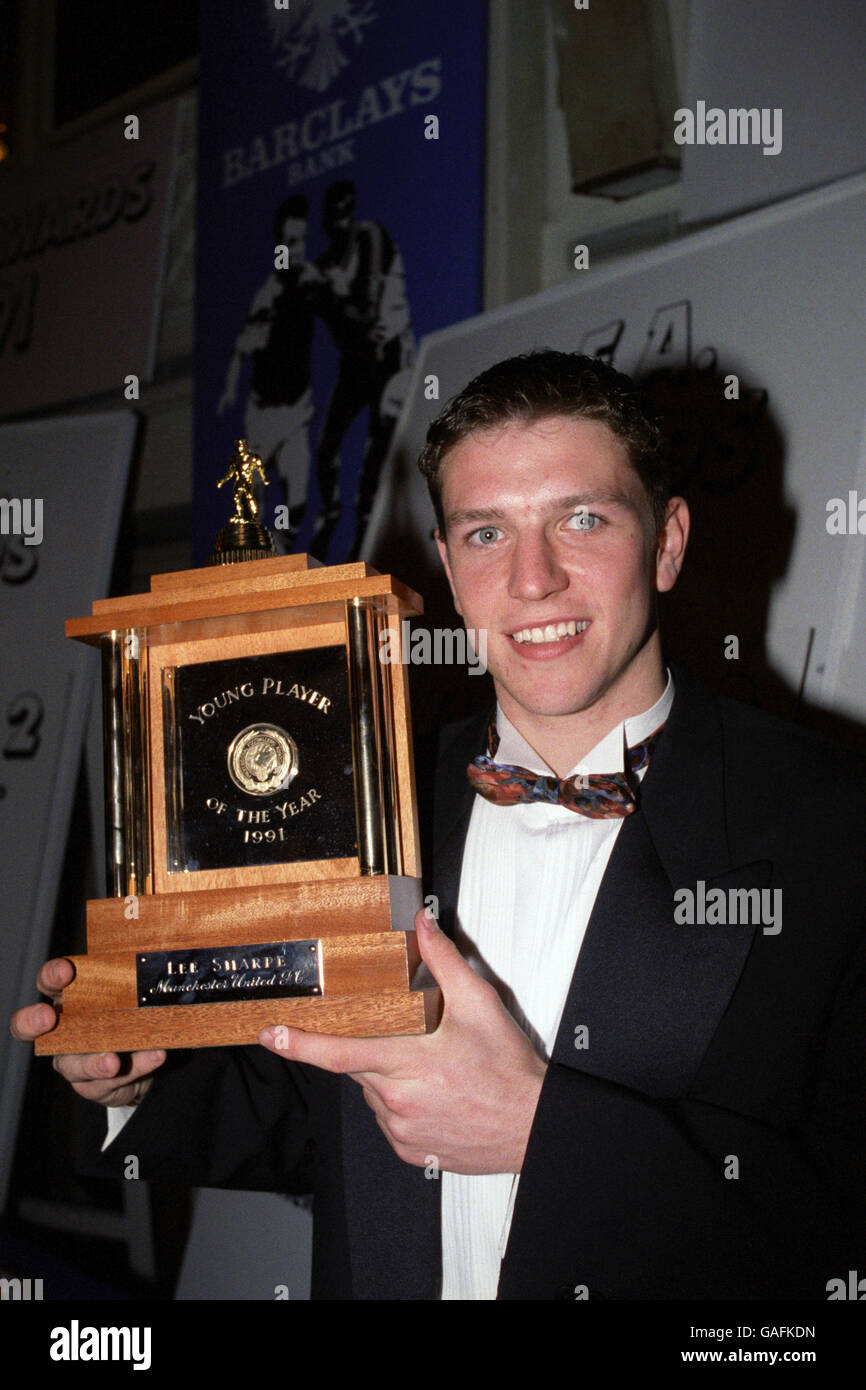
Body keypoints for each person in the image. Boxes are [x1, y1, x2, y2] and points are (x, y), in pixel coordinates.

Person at [12, 351, 866, 1300]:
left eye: (582, 519)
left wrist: (543, 1135)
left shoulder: (831, 825)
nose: (533, 580)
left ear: (667, 542)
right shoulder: (366, 802)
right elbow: (312, 1110)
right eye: (488, 532)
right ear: (450, 568)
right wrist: (136, 1082)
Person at [307, 179, 415, 562]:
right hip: (356, 365)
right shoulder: (321, 268)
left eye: (346, 211)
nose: (341, 222)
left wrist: (333, 295)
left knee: (380, 450)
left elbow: (370, 312)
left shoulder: (370, 239)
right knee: (326, 448)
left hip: (389, 355)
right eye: (334, 215)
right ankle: (331, 513)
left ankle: (369, 536)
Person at [218, 195, 318, 547]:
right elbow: (240, 349)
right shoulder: (267, 298)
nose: (298, 248)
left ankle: (285, 550)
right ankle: (257, 559)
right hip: (264, 416)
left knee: (299, 494)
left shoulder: (311, 282)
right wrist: (230, 388)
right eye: (291, 243)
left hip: (296, 411)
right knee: (250, 503)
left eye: (303, 240)